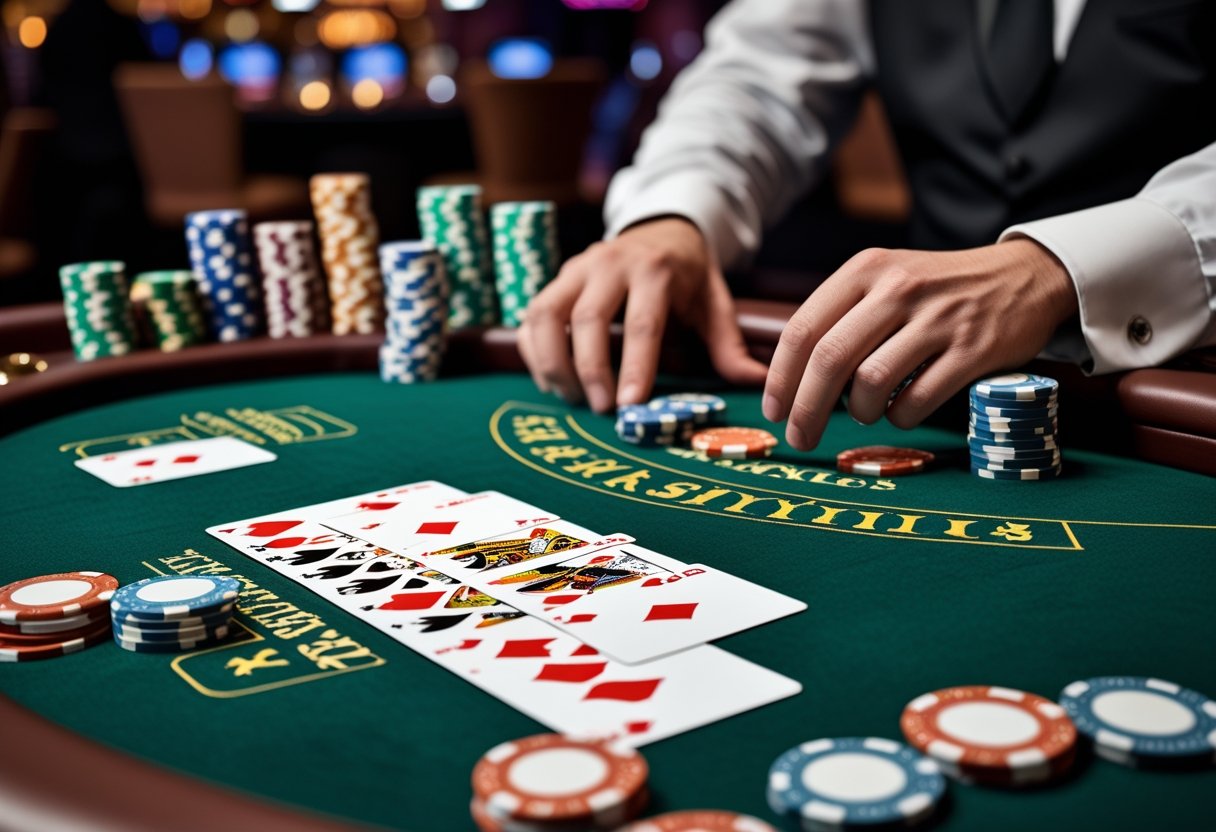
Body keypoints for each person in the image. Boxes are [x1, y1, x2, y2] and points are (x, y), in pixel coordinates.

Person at [516, 0, 1216, 451]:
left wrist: (1055, 268)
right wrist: (671, 216)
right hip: (927, 399)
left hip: (1180, 398)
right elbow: (758, 80)